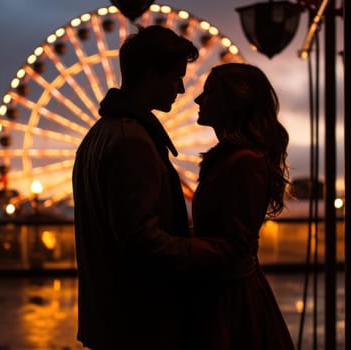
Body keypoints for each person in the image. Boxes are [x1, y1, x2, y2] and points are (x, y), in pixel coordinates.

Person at [72, 25, 244, 350]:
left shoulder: (99, 135)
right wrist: (212, 249)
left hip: (111, 319)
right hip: (139, 322)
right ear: (151, 74)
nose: (181, 89)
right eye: (175, 77)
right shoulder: (131, 141)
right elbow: (141, 241)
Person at [191, 63, 295, 349]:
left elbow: (234, 244)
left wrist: (170, 245)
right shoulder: (236, 160)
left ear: (232, 102)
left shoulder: (244, 162)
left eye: (209, 92)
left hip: (230, 303)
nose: (198, 99)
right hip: (228, 295)